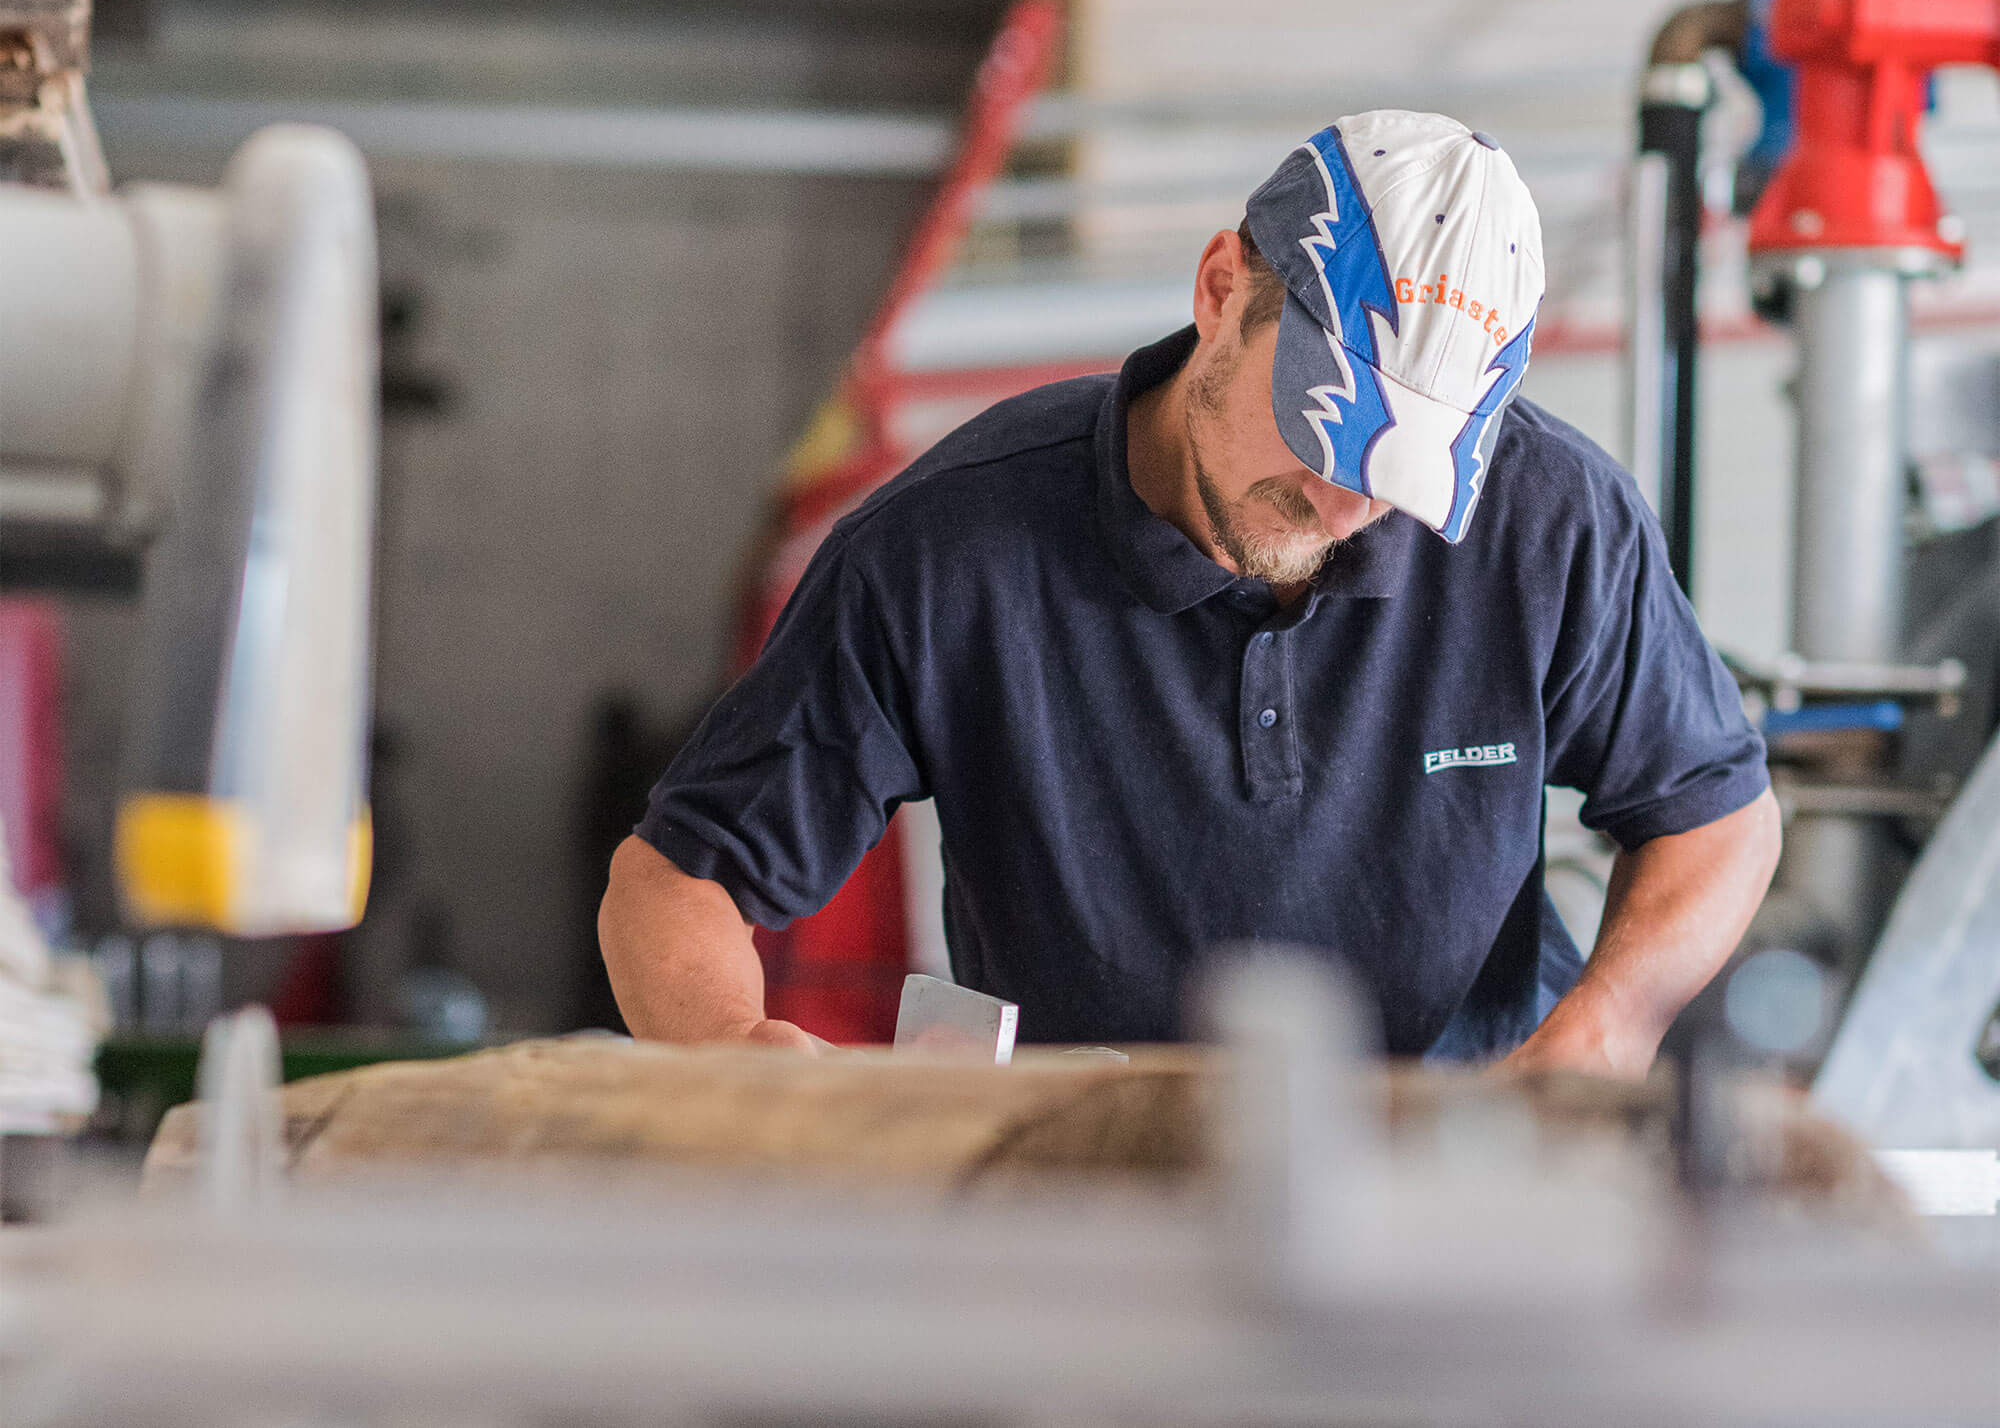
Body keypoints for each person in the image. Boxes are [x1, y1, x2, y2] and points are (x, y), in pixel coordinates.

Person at [599, 110, 1781, 1076]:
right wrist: (735, 1064)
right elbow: (678, 881)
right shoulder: (949, 546)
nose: (1342, 504)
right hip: (1083, 1197)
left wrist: (1607, 1026)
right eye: (1325, 434)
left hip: (1457, 1184)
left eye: (1398, 471)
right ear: (1222, 286)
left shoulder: (1550, 520)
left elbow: (1715, 816)